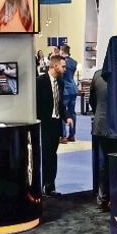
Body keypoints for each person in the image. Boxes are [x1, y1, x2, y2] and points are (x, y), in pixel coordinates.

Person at [88, 68, 117, 210]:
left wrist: (100, 114)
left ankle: (103, 199)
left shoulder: (97, 75)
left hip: (102, 126)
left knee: (103, 164)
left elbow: (92, 100)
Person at [35, 54, 73, 197]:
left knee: (52, 156)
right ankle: (42, 186)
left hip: (56, 125)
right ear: (55, 66)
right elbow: (35, 104)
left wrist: (67, 117)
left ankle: (50, 186)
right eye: (63, 67)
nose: (65, 69)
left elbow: (60, 104)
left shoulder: (60, 83)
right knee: (45, 156)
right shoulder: (40, 82)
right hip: (44, 124)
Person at [60, 44, 79, 143]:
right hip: (73, 89)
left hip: (65, 90)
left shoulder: (61, 62)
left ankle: (63, 136)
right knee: (72, 113)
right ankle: (72, 135)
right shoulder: (74, 62)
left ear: (62, 51)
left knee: (62, 112)